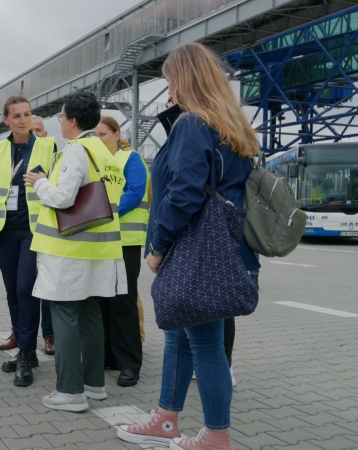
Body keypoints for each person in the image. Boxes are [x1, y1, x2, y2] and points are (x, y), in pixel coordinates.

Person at [117, 42, 259, 450]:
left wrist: (159, 246)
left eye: (170, 81)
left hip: (195, 249)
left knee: (206, 345)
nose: (168, 91)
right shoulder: (230, 125)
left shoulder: (194, 124)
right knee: (181, 335)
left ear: (186, 79)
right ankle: (166, 419)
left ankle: (216, 436)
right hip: (222, 249)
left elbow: (184, 193)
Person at [24, 91, 126, 411]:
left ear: (71, 120)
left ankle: (69, 391)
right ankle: (94, 385)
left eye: (61, 117)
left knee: (65, 314)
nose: (60, 123)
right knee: (91, 315)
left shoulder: (76, 150)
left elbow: (64, 198)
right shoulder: (105, 151)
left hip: (68, 249)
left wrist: (40, 183)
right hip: (98, 251)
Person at [0, 95, 57, 387]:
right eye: (17, 116)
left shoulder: (48, 146)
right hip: (5, 229)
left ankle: (27, 353)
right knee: (13, 291)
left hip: (34, 229)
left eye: (27, 114)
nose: (24, 120)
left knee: (27, 288)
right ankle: (23, 345)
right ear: (6, 120)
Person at [94, 115, 149, 387]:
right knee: (104, 299)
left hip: (125, 241)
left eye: (103, 134)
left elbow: (135, 192)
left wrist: (106, 213)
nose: (99, 139)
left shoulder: (131, 159)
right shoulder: (96, 162)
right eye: (95, 136)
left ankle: (129, 364)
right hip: (102, 239)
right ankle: (108, 356)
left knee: (123, 301)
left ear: (117, 134)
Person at [30, 115, 56, 355]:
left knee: (46, 288)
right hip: (24, 232)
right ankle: (20, 332)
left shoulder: (55, 156)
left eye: (38, 130)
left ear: (45, 134)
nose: (35, 134)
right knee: (23, 288)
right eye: (31, 131)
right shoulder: (13, 155)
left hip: (48, 232)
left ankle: (49, 336)